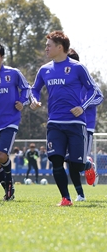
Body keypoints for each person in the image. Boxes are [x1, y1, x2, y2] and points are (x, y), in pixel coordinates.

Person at [30, 31, 102, 206]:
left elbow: (95, 91)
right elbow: (34, 89)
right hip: (54, 123)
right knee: (56, 160)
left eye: (49, 45)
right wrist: (33, 100)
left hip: (76, 124)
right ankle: (66, 198)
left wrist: (82, 107)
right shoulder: (44, 69)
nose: (46, 48)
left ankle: (86, 165)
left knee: (75, 165)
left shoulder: (77, 68)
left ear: (59, 47)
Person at [0, 42, 31, 200]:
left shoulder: (13, 73)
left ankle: (10, 184)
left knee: (2, 155)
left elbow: (26, 88)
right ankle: (8, 190)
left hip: (9, 122)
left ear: (2, 57)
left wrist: (22, 101)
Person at [66, 48, 103, 196]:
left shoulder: (85, 79)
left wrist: (83, 105)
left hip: (85, 126)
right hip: (66, 124)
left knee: (78, 163)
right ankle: (80, 194)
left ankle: (88, 165)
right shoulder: (63, 82)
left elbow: (99, 97)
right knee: (67, 159)